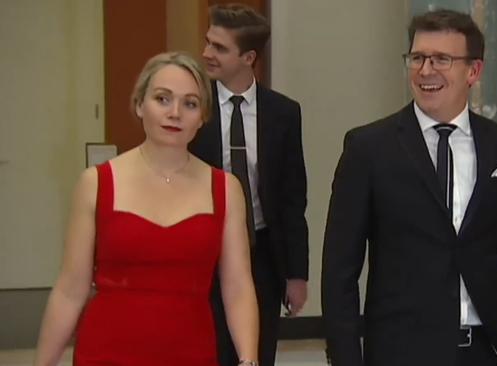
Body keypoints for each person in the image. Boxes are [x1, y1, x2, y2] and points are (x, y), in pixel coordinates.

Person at [322, 9, 497, 366]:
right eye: (417, 58)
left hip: (488, 350)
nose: (426, 70)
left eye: (442, 59)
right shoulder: (368, 149)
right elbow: (339, 272)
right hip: (401, 352)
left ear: (473, 71)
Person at [33, 52, 259, 366]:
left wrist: (249, 360)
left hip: (191, 352)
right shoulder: (96, 183)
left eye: (190, 103)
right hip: (106, 352)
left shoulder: (225, 189)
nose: (175, 113)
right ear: (140, 105)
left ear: (203, 117)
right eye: (162, 99)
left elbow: (237, 287)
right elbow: (71, 289)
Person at [189, 3, 309, 366]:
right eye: (208, 43)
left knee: (256, 351)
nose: (207, 53)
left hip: (261, 254)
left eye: (220, 48)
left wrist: (296, 273)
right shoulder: (194, 105)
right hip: (203, 252)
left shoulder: (283, 113)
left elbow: (292, 198)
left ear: (249, 57)